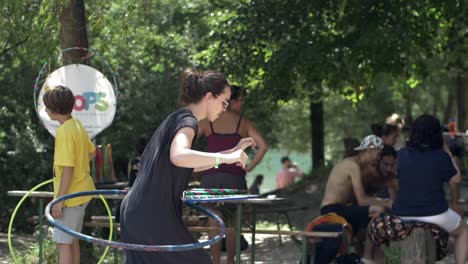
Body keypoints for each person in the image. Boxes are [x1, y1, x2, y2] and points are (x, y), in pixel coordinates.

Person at [119, 69, 255, 264]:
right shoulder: (188, 122)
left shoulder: (176, 118)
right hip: (152, 213)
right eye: (224, 102)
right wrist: (222, 159)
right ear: (209, 97)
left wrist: (230, 154)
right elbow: (179, 156)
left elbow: (183, 165)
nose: (225, 108)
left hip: (137, 210)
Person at [197, 85, 268, 264]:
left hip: (210, 176)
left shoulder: (207, 121)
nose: (242, 104)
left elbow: (188, 140)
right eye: (240, 100)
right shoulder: (243, 122)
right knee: (232, 223)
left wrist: (194, 164)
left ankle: (214, 262)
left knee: (213, 220)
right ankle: (230, 262)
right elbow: (263, 146)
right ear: (230, 101)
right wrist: (249, 167)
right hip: (234, 177)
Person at [391, 114, 468, 264]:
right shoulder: (440, 156)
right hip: (435, 214)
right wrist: (447, 150)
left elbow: (394, 181)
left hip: (401, 214)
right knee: (463, 230)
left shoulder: (401, 155)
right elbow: (456, 179)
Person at [44, 86, 96, 264]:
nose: (45, 110)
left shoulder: (64, 131)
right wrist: (80, 165)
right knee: (72, 240)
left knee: (62, 242)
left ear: (54, 110)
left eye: (47, 107)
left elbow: (68, 169)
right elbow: (92, 152)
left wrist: (60, 200)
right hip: (82, 192)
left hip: (71, 197)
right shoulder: (76, 124)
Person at [320, 135, 390, 234]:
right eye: (378, 154)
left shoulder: (359, 166)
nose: (378, 159)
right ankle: (369, 246)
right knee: (378, 210)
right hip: (331, 210)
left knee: (368, 219)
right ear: (370, 150)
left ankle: (360, 245)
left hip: (342, 208)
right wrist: (388, 203)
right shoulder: (353, 166)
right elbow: (362, 200)